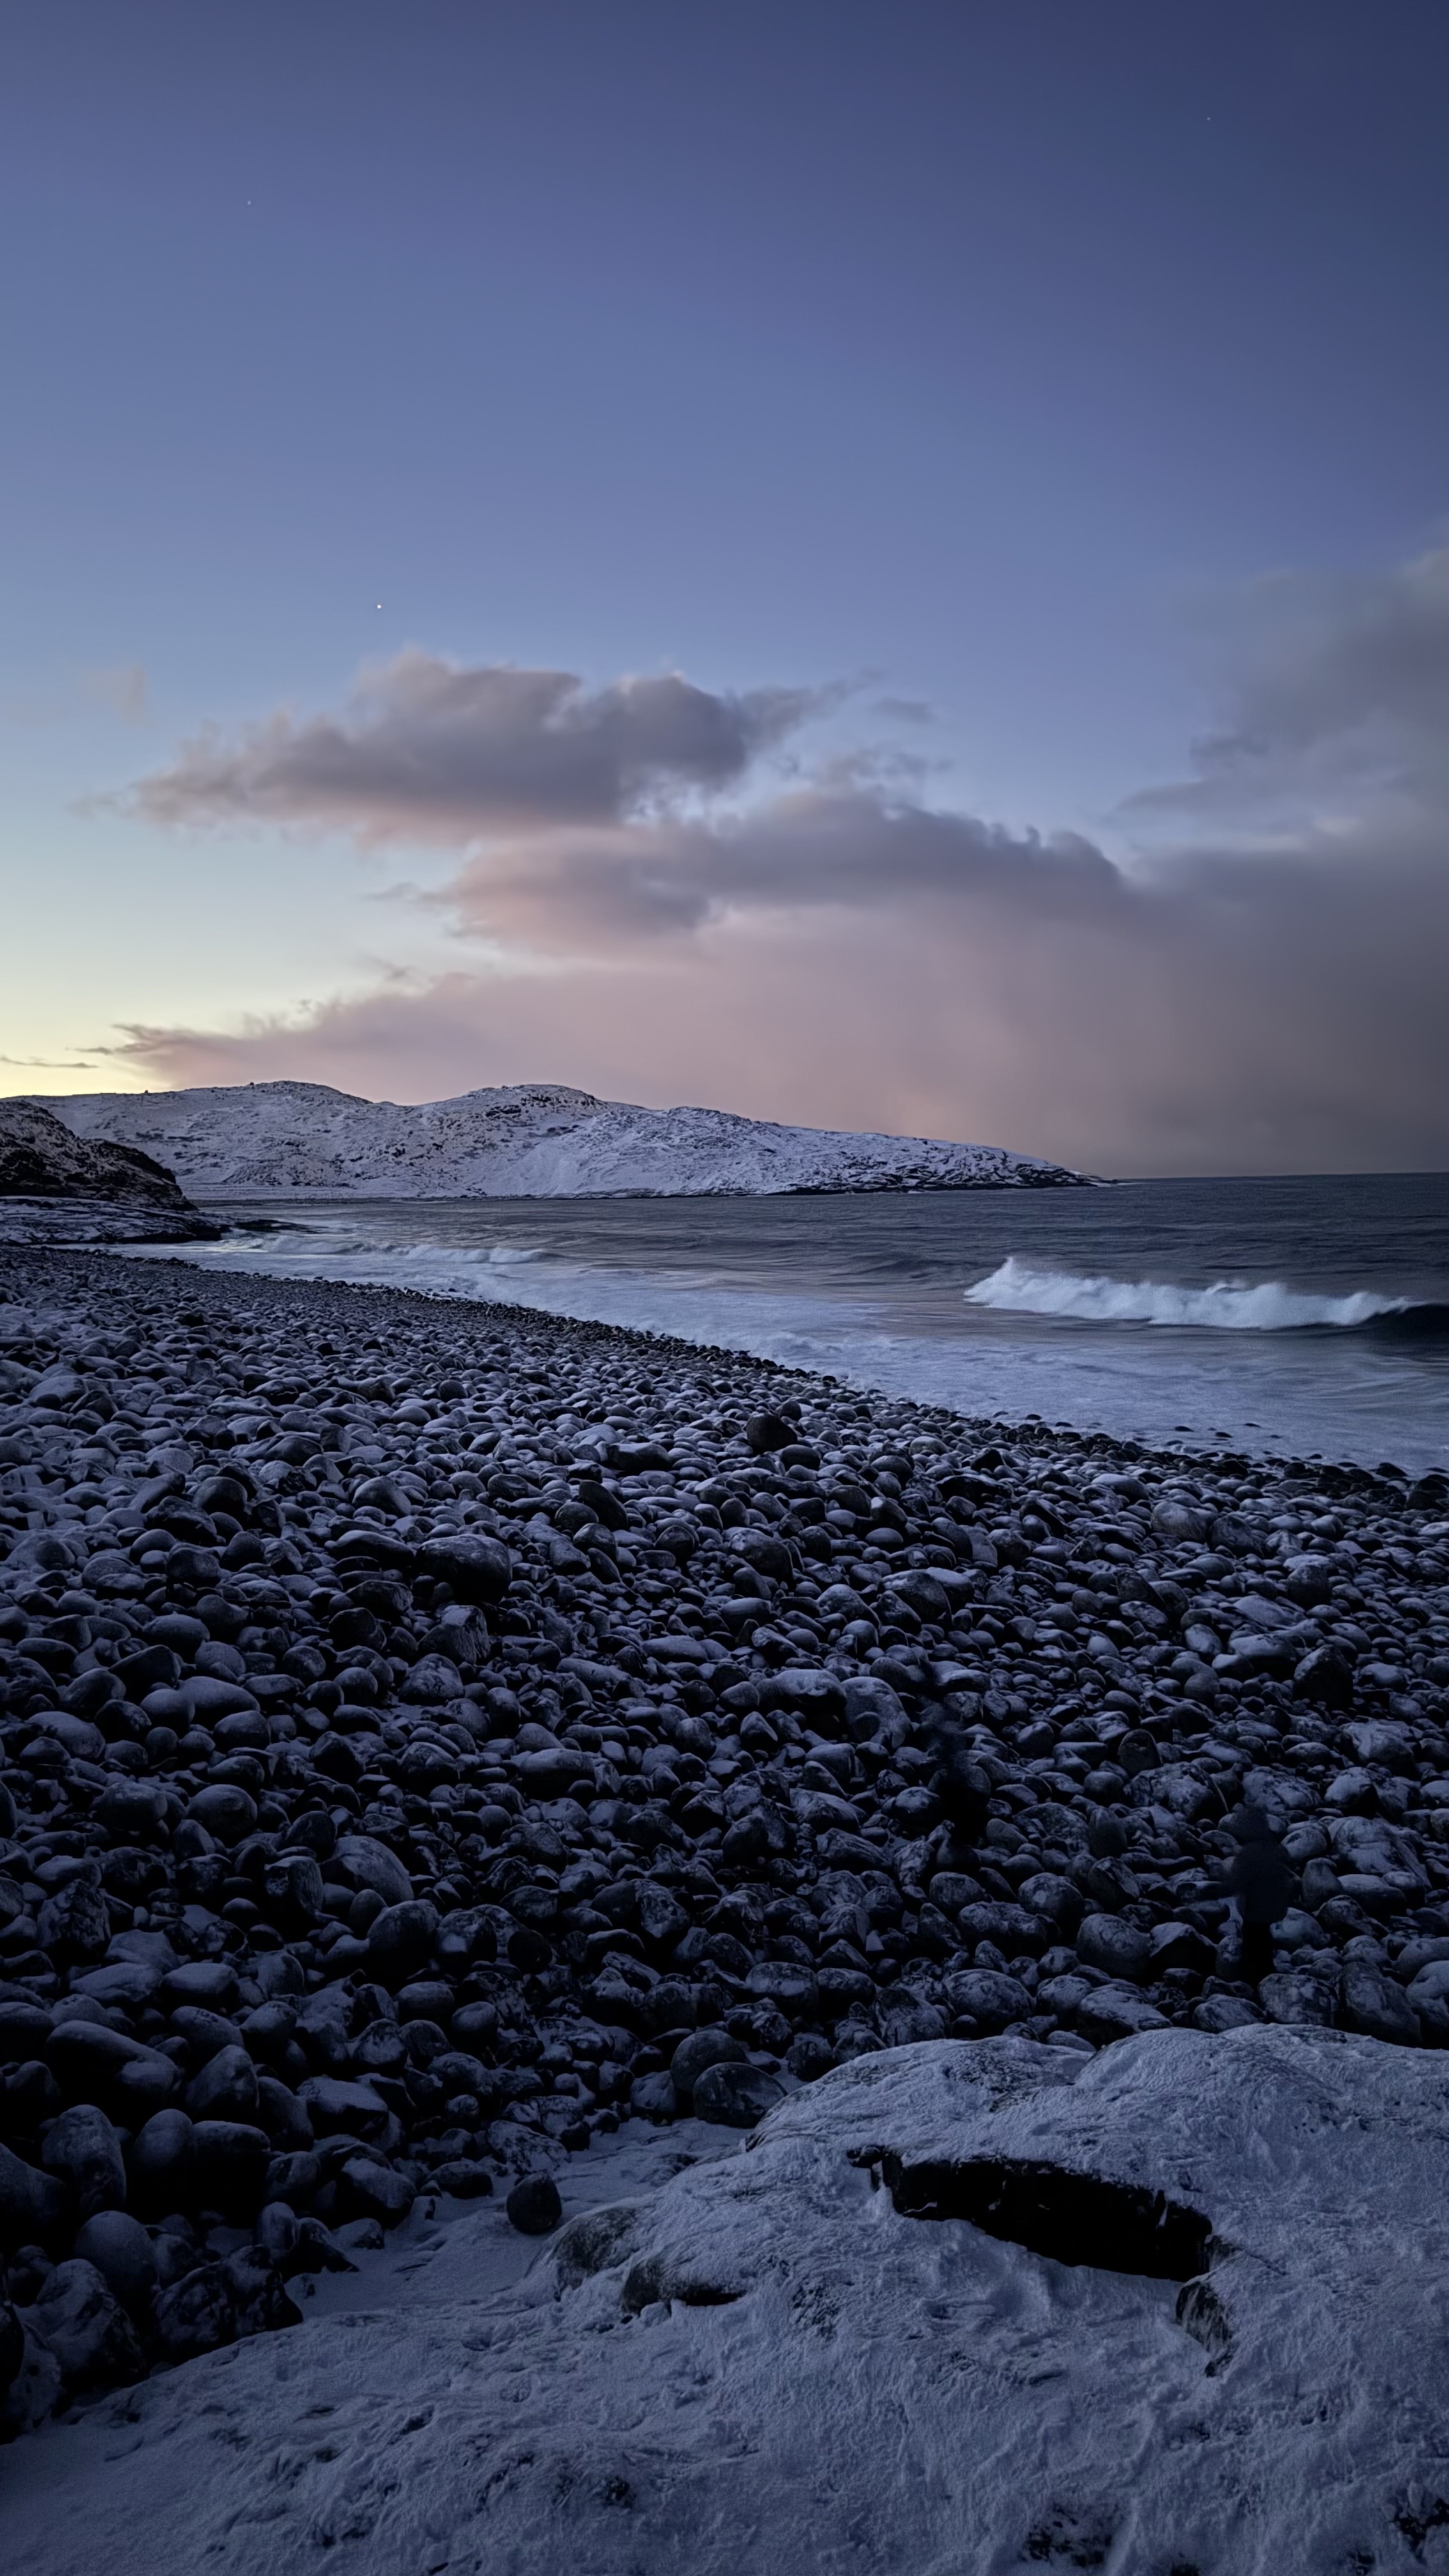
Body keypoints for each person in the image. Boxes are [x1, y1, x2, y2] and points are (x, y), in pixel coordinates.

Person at [1226, 1802, 1297, 1986]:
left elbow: (1235, 1883)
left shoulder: (1248, 1855)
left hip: (1254, 1910)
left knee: (1252, 1944)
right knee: (1263, 1942)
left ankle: (1255, 1981)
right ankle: (1266, 1974)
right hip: (1273, 1908)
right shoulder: (1275, 1849)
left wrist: (1214, 1883)